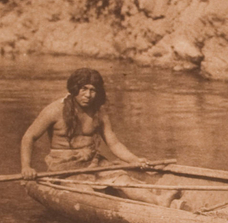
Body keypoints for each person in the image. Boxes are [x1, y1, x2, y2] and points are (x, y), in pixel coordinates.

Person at [20, 68, 176, 206]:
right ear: (75, 89)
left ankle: (158, 201)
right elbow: (29, 137)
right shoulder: (54, 110)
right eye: (83, 89)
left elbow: (113, 143)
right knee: (86, 192)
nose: (88, 95)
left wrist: (134, 160)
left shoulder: (99, 112)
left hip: (94, 163)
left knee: (123, 179)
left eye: (92, 90)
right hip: (64, 168)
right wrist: (26, 167)